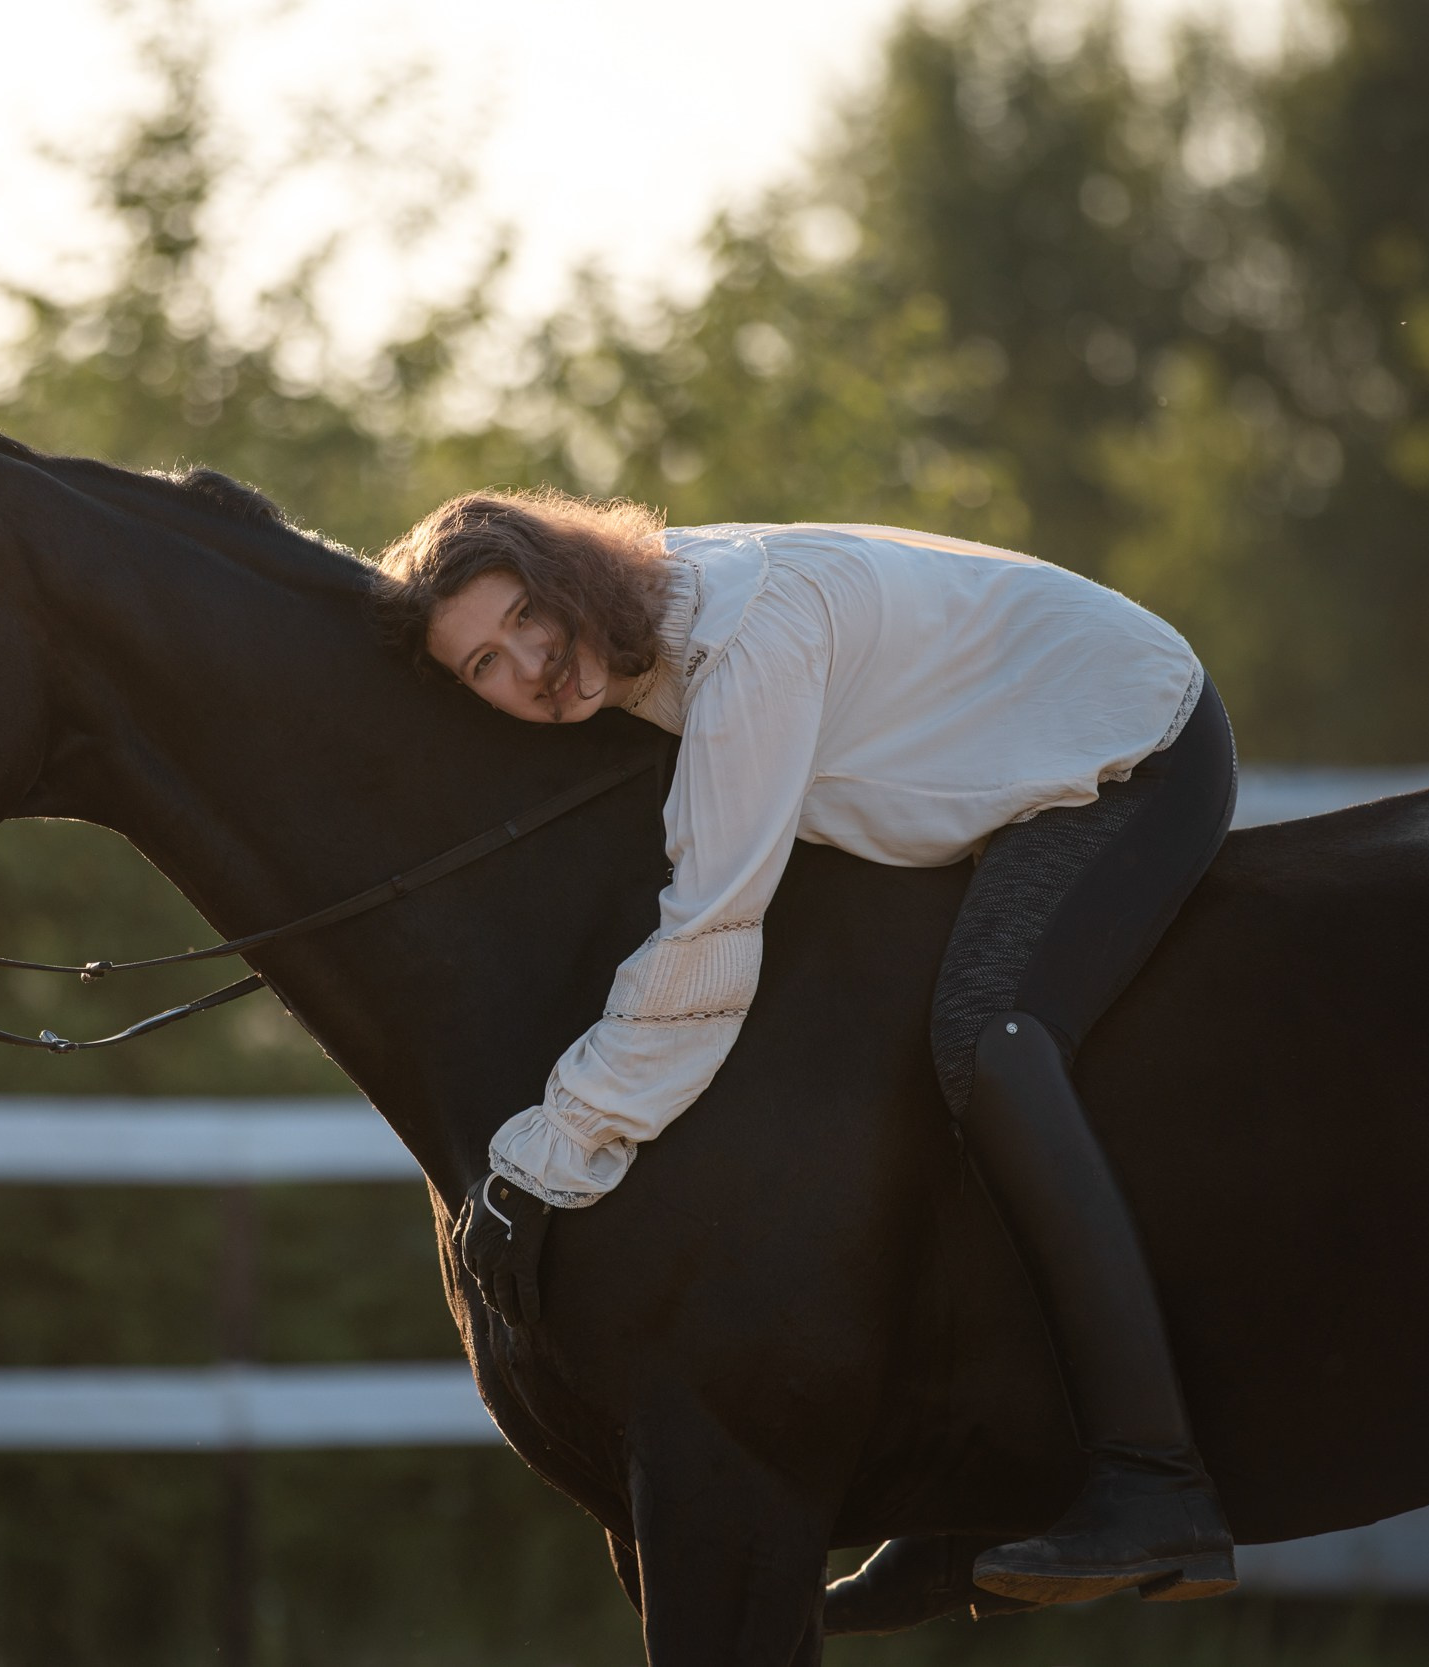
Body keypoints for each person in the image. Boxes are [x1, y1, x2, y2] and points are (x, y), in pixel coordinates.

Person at [372, 488, 1240, 1608]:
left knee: (993, 1040)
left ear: (571, 574)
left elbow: (707, 940)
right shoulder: (637, 632)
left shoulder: (742, 643)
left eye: (527, 617)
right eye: (484, 663)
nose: (528, 666)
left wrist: (546, 1153)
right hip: (973, 758)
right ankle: (970, 1501)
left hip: (1128, 737)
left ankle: (1156, 1478)